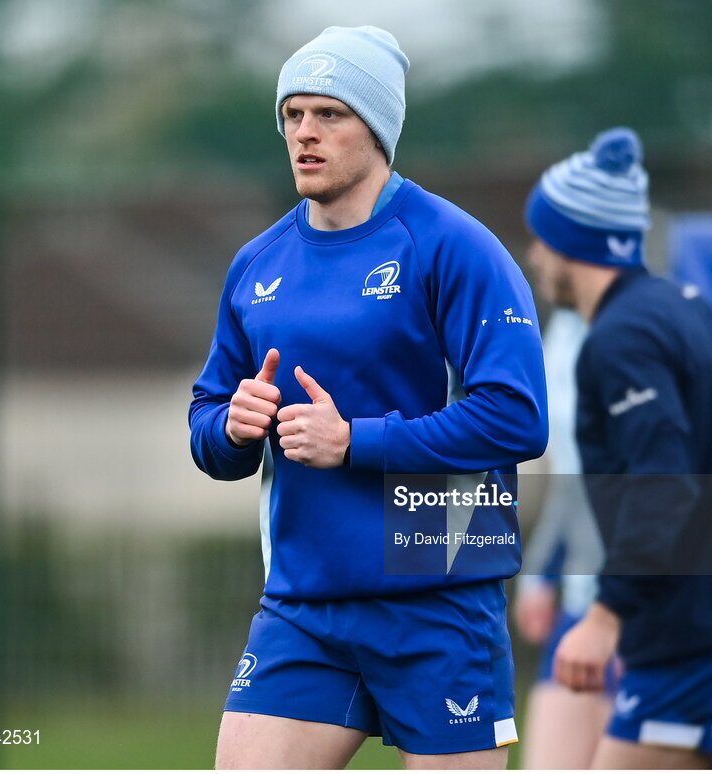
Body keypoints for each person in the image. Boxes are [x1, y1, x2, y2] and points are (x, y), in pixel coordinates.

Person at [188, 25, 548, 770]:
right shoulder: (258, 264)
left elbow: (517, 416)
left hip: (439, 591)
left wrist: (355, 442)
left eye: (329, 114)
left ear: (378, 128)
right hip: (305, 604)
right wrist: (232, 426)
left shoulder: (453, 245)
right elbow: (206, 420)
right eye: (292, 115)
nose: (304, 134)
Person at [523, 127, 712, 769]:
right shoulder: (687, 309)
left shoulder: (620, 339)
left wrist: (603, 617)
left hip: (696, 642)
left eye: (541, 237)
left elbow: (664, 485)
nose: (535, 255)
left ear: (572, 241)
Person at [512, 308, 614, 769]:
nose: (535, 252)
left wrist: (639, 602)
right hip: (580, 602)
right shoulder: (561, 331)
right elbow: (572, 479)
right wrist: (539, 573)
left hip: (635, 607)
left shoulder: (643, 326)